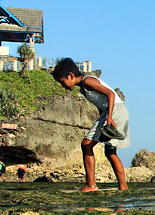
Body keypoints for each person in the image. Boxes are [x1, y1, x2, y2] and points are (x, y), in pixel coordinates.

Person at [52, 58, 129, 192]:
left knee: (86, 144)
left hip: (115, 110)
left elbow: (110, 94)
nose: (62, 85)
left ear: (70, 75)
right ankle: (123, 187)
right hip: (119, 110)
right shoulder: (83, 86)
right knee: (110, 151)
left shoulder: (87, 81)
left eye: (62, 81)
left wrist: (109, 117)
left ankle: (91, 185)